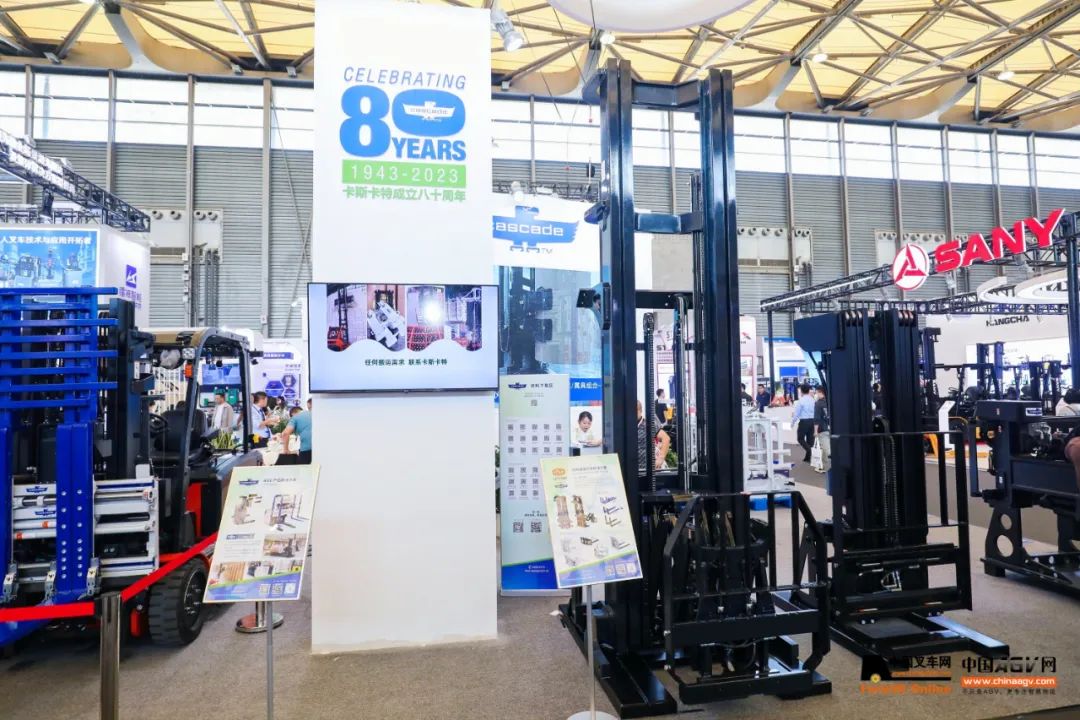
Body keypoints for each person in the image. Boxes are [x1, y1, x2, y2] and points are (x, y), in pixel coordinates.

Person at [637, 400, 669, 472]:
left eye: (636, 411)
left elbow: (666, 438)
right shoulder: (626, 425)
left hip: (648, 469)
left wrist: (661, 458)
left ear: (641, 411)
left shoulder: (648, 423)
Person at [281, 400, 313, 464]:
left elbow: (285, 433)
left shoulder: (295, 417)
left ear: (293, 414)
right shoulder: (312, 413)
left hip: (306, 449)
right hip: (320, 446)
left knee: (303, 469)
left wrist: (286, 449)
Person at [791, 384, 816, 463]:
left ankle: (810, 452)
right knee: (810, 440)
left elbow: (797, 413)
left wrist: (793, 422)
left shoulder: (801, 401)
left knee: (800, 438)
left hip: (804, 421)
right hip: (812, 421)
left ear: (801, 391)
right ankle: (808, 458)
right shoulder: (812, 400)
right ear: (808, 391)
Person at [814, 386, 831, 477]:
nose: (816, 394)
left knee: (826, 450)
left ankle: (826, 467)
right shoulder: (830, 401)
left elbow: (816, 418)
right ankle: (825, 467)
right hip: (830, 429)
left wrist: (815, 431)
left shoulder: (818, 404)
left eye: (816, 392)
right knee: (827, 449)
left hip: (822, 429)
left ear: (820, 392)